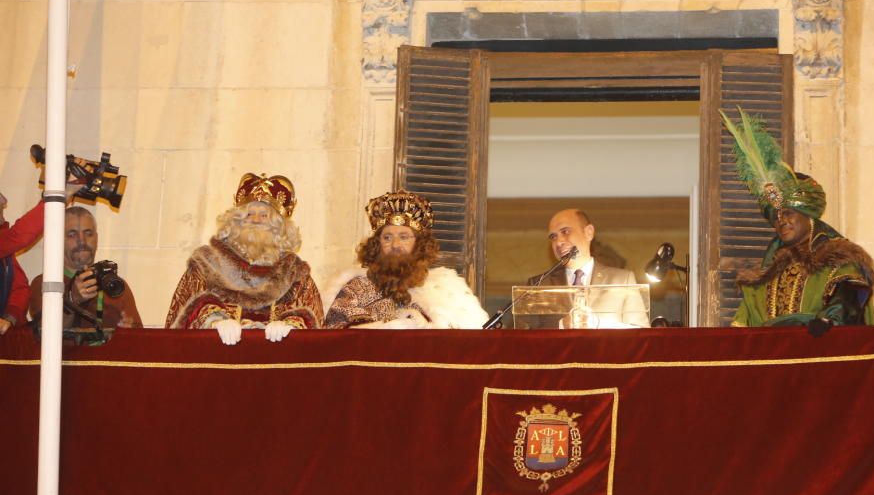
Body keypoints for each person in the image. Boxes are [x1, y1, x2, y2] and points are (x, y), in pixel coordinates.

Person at [721, 108, 874, 327]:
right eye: (775, 217)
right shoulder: (761, 281)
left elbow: (850, 299)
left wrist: (827, 320)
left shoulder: (838, 261)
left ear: (808, 214)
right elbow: (742, 326)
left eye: (787, 213)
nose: (780, 221)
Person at [165, 173, 323, 344]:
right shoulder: (206, 265)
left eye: (264, 215)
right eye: (249, 214)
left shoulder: (294, 274)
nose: (255, 220)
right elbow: (180, 318)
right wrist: (213, 320)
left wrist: (292, 324)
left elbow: (313, 319)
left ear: (279, 227)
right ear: (236, 221)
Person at [324, 190, 488, 329]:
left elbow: (468, 346)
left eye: (404, 237)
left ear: (420, 245)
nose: (395, 244)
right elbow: (338, 338)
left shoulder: (448, 291)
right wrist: (393, 327)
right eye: (387, 238)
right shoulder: (357, 288)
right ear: (377, 245)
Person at [523, 208, 650, 328]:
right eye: (553, 237)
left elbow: (640, 335)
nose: (559, 242)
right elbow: (522, 338)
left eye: (565, 232)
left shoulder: (622, 280)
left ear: (588, 232)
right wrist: (562, 326)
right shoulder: (538, 286)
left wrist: (598, 324)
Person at [29, 205, 143, 330]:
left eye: (88, 233)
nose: (82, 241)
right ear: (57, 240)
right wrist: (73, 299)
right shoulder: (45, 284)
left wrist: (128, 334)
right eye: (72, 234)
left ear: (97, 238)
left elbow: (141, 343)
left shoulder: (115, 286)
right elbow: (46, 335)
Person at [0, 193, 43, 334]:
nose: (5, 201)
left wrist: (10, 316)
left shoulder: (5, 251)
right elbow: (19, 236)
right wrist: (55, 198)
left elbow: (20, 288)